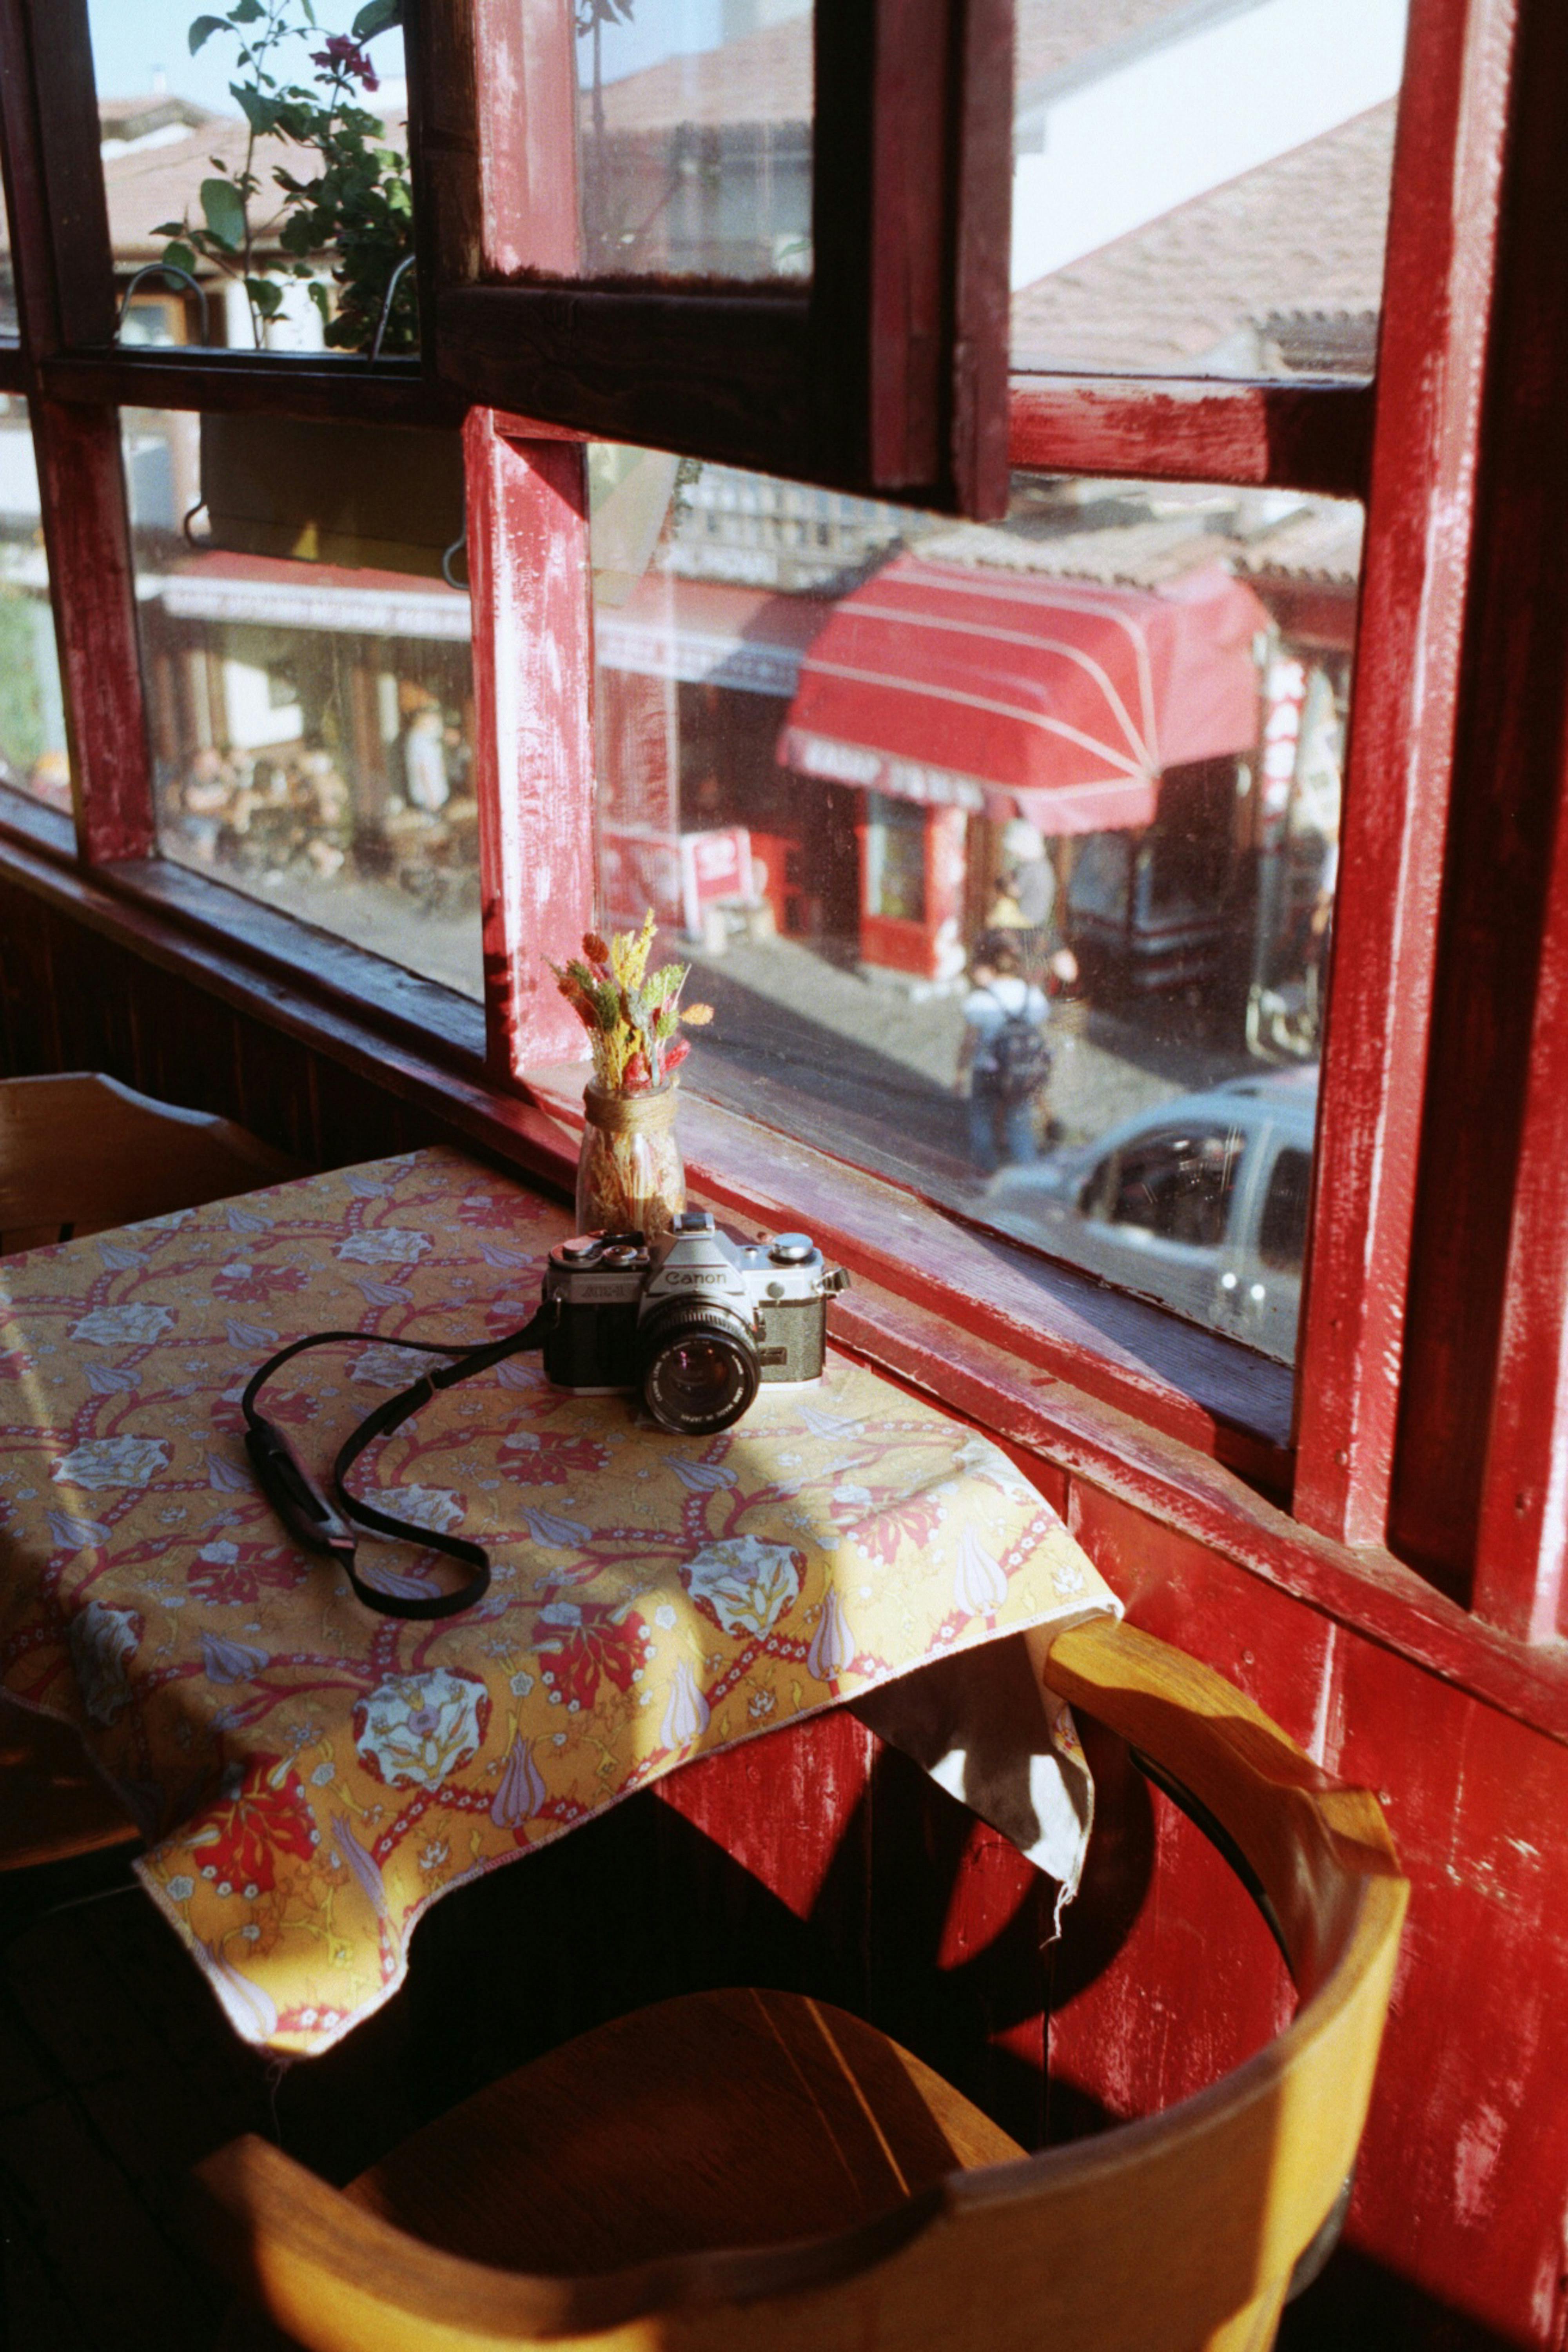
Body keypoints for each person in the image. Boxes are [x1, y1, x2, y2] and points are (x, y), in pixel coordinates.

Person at [956, 930, 1052, 1176]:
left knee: (981, 1120)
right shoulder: (1034, 996)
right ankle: (1029, 1181)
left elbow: (968, 1043)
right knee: (1020, 1126)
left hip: (985, 1070)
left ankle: (984, 1173)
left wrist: (959, 1073)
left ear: (991, 966)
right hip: (1020, 1071)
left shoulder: (980, 1000)